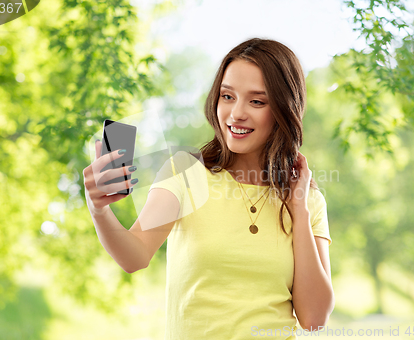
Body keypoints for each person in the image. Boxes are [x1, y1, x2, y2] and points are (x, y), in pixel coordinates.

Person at [83, 37, 334, 340]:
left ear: (284, 108)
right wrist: (99, 209)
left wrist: (299, 209)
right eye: (227, 96)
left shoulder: (307, 200)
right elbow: (134, 257)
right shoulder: (185, 172)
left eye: (256, 101)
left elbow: (314, 319)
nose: (236, 113)